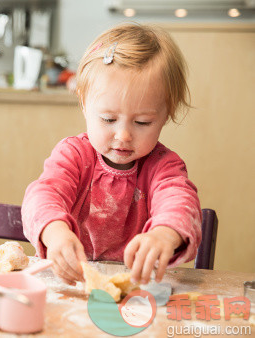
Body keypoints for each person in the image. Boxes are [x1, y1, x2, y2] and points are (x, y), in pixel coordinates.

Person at [22, 23, 202, 286]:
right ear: (84, 104)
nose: (124, 135)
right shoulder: (74, 155)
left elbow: (180, 202)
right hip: (73, 284)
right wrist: (55, 233)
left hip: (138, 291)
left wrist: (164, 235)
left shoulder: (164, 167)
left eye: (142, 123)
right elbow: (43, 195)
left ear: (167, 114)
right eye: (108, 119)